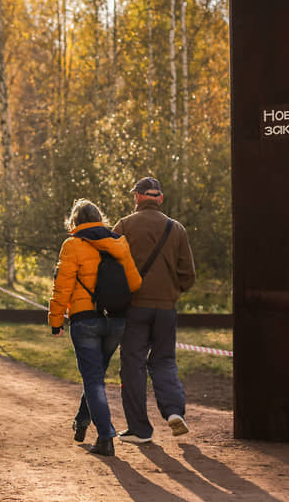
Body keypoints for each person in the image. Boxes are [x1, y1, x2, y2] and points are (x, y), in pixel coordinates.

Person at [48, 199, 142, 457]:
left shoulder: (72, 245)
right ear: (100, 218)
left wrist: (55, 320)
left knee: (93, 379)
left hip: (85, 319)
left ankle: (105, 436)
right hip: (116, 321)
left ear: (75, 221)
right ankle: (81, 421)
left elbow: (62, 287)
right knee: (95, 376)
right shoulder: (118, 243)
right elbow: (134, 283)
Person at [113, 177, 196, 444]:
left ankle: (140, 429)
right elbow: (188, 275)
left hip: (134, 308)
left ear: (137, 197)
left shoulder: (124, 225)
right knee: (164, 361)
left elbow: (111, 267)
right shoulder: (177, 229)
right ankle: (173, 411)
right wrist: (170, 292)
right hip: (166, 309)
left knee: (133, 366)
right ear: (159, 198)